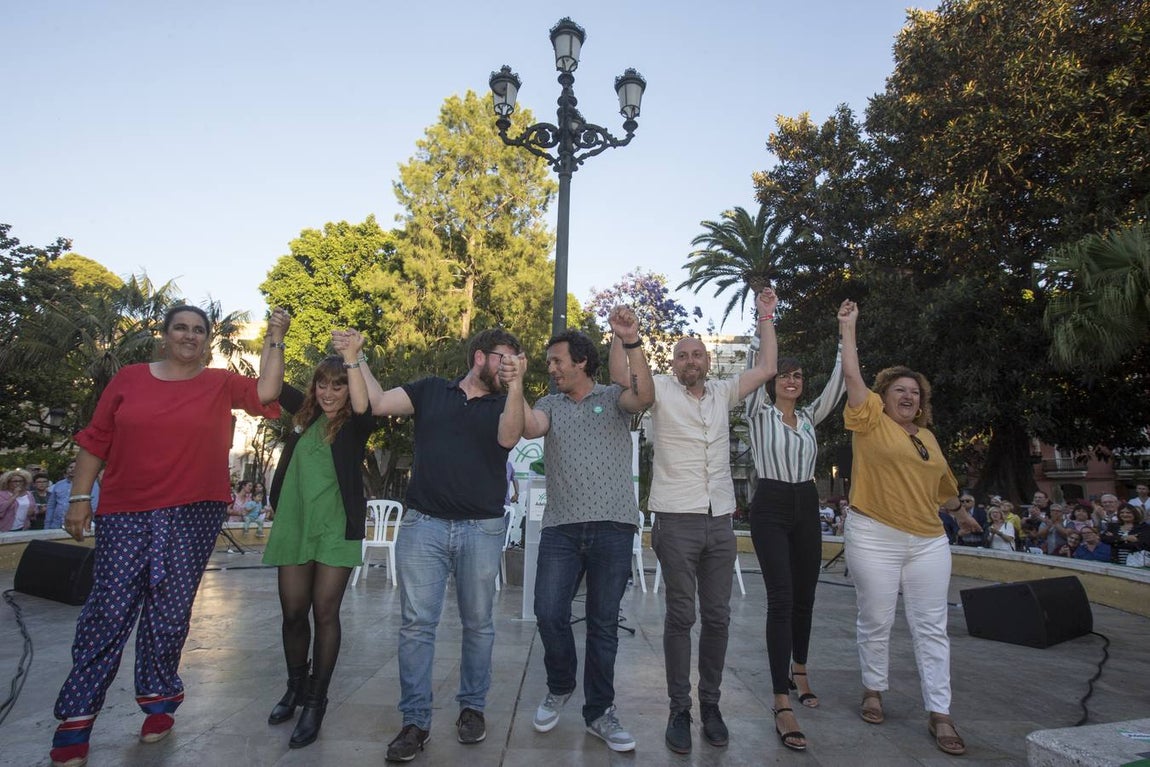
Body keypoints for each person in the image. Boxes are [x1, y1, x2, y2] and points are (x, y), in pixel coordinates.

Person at [47, 304, 288, 767]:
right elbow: (96, 440)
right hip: (126, 510)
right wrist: (80, 498)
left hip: (195, 512)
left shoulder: (219, 383)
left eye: (199, 330)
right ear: (165, 335)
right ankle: (75, 722)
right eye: (181, 327)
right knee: (109, 612)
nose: (190, 336)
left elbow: (267, 391)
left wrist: (275, 334)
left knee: (171, 613)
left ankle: (158, 702)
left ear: (207, 340)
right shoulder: (130, 380)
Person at [359, 328, 525, 764]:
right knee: (416, 625)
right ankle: (414, 721)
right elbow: (377, 403)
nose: (507, 365)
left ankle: (472, 708)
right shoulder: (431, 390)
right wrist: (357, 357)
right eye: (501, 357)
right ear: (478, 357)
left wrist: (517, 384)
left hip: (482, 529)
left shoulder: (506, 404)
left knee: (479, 623)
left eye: (515, 359)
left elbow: (510, 439)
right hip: (423, 526)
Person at [641, 288, 778, 755]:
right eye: (683, 355)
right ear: (674, 362)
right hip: (675, 520)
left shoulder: (722, 392)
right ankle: (679, 709)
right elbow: (625, 376)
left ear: (707, 360)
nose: (691, 360)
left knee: (718, 616)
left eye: (698, 354)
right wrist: (627, 340)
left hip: (720, 520)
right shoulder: (657, 388)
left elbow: (767, 368)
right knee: (682, 615)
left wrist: (765, 316)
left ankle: (711, 704)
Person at [838, 300, 966, 757]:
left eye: (915, 392)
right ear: (885, 395)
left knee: (932, 626)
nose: (908, 397)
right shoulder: (870, 419)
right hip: (874, 535)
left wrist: (964, 513)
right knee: (876, 618)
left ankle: (940, 713)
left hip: (929, 541)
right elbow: (853, 378)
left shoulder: (927, 439)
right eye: (900, 391)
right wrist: (848, 329)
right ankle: (873, 688)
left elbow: (945, 492)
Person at [521, 310, 654, 753]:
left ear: (581, 362)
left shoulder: (614, 397)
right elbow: (529, 427)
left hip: (613, 527)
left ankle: (600, 712)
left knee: (602, 625)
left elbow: (645, 397)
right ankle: (560, 683)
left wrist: (631, 342)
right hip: (560, 527)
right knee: (548, 611)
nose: (552, 369)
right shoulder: (548, 405)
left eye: (557, 361)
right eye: (548, 363)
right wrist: (515, 383)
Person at [261, 330, 376, 749]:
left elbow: (364, 402)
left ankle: (315, 701)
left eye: (338, 385)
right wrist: (275, 338)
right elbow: (269, 387)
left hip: (335, 528)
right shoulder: (305, 415)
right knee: (293, 612)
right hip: (294, 523)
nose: (329, 393)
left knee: (325, 613)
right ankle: (294, 686)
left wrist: (352, 357)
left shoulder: (358, 422)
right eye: (322, 384)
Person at [744, 295, 846, 752]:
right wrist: (764, 315)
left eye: (797, 375)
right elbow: (755, 363)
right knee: (780, 597)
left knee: (806, 594)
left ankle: (800, 668)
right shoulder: (757, 412)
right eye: (784, 374)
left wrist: (846, 335)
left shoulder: (808, 418)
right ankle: (780, 698)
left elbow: (838, 387)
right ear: (773, 382)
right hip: (770, 503)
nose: (791, 380)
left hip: (806, 501)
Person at [46, 460, 100, 531]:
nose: (72, 469)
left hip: (78, 526)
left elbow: (94, 506)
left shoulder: (91, 485)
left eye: (76, 467)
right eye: (70, 467)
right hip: (56, 525)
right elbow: (51, 506)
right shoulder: (59, 484)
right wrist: (47, 525)